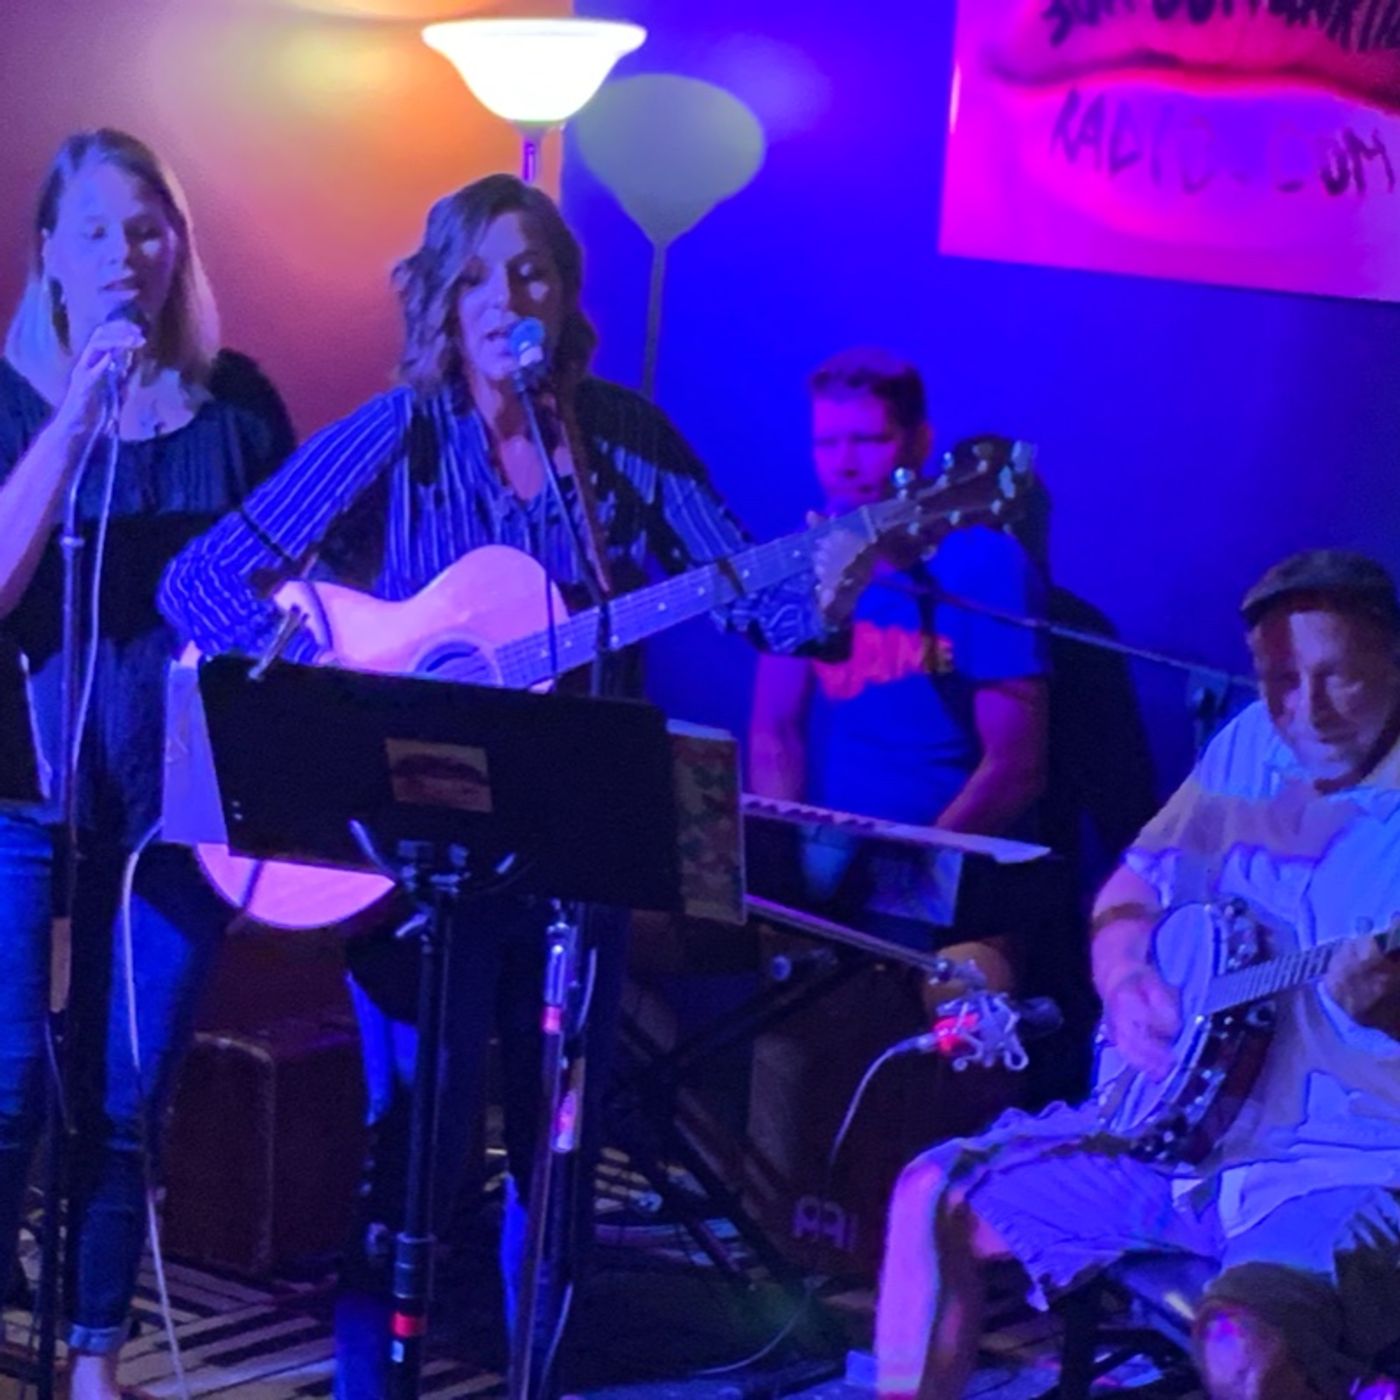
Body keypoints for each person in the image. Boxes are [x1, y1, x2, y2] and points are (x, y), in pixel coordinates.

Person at [157, 173, 849, 1396]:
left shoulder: (619, 440)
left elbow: (756, 599)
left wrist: (832, 577)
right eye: (475, 276)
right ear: (440, 298)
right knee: (416, 1145)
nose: (503, 297)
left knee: (556, 1147)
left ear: (563, 296)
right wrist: (344, 680)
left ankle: (533, 1373)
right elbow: (201, 582)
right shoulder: (398, 429)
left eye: (528, 272)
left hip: (566, 854)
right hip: (412, 863)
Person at [875, 548, 1400, 1400]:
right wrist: (1124, 981)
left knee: (1240, 1347)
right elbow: (1131, 890)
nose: (1307, 709)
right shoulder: (1251, 743)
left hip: (1340, 1169)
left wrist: (1389, 1009)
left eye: (1337, 676)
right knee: (935, 1195)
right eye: (1280, 679)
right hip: (1185, 1143)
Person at [0, 129, 294, 1399]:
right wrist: (77, 413)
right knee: (9, 1086)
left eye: (147, 227)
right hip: (22, 796)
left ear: (178, 245)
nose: (125, 253)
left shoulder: (240, 407)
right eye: (96, 231)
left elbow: (293, 597)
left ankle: (90, 1356)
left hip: (179, 807)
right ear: (50, 254)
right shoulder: (15, 401)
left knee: (127, 1097)